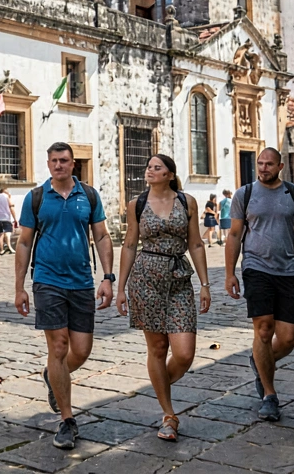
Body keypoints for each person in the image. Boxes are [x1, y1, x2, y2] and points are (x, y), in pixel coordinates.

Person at [14, 143, 114, 451]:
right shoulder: (36, 198)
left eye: (65, 161)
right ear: (48, 164)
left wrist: (108, 277)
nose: (59, 165)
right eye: (55, 161)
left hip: (82, 281)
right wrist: (19, 287)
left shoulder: (90, 196)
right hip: (47, 280)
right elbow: (24, 243)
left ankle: (52, 376)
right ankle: (68, 419)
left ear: (73, 164)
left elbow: (101, 235)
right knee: (58, 346)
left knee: (81, 350)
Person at [116, 155, 211, 441]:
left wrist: (205, 284)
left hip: (179, 278)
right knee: (157, 348)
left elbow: (195, 243)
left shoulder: (187, 202)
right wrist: (120, 287)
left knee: (183, 354)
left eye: (156, 167)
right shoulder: (137, 204)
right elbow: (130, 244)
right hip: (146, 278)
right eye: (148, 167)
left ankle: (159, 384)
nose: (150, 171)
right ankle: (168, 415)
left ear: (170, 174)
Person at [225, 147, 294, 423]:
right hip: (256, 269)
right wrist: (230, 272)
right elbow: (233, 234)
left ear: (280, 166)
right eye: (260, 163)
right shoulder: (245, 194)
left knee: (289, 337)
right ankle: (269, 395)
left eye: (269, 164)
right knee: (264, 328)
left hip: (288, 270)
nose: (263, 168)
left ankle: (259, 360)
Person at [0, 188, 17, 255]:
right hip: (6, 217)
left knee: (0, 234)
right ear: (4, 191)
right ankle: (9, 247)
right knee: (8, 232)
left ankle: (1, 250)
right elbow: (11, 207)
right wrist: (15, 219)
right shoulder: (6, 197)